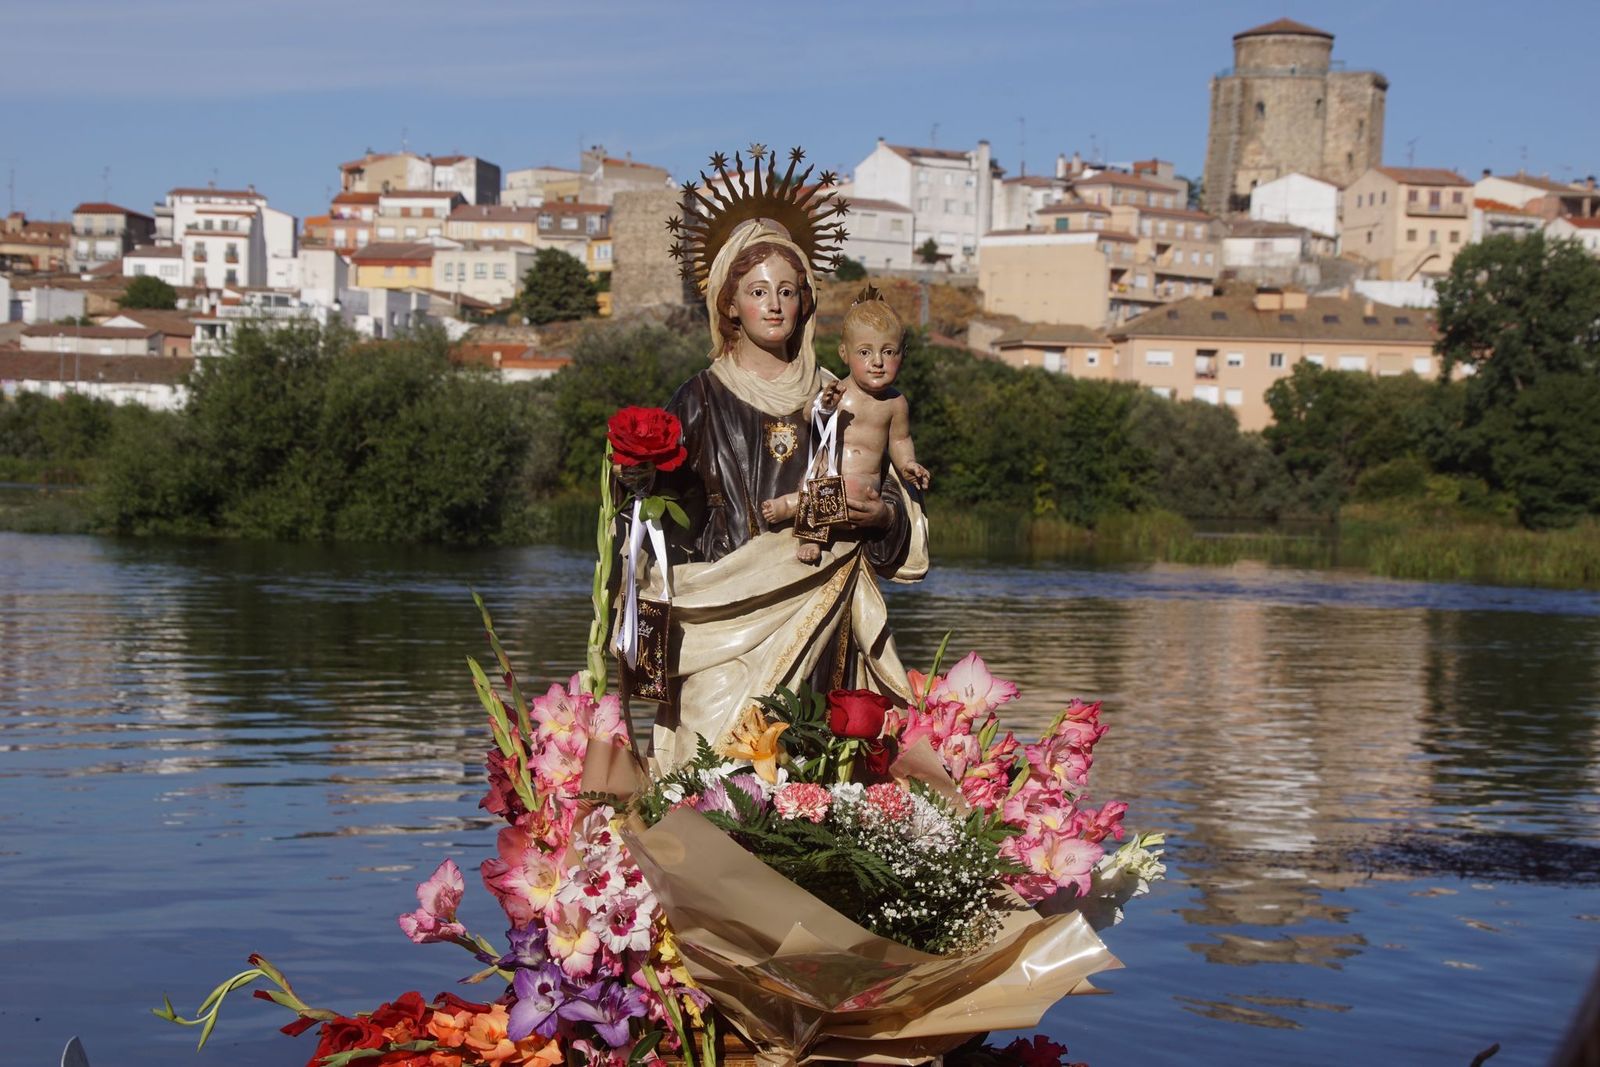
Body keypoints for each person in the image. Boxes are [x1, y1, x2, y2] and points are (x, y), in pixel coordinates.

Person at [643, 221, 928, 767]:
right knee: (707, 756)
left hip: (819, 596)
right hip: (724, 598)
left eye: (787, 292)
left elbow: (889, 501)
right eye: (757, 292)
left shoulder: (842, 395)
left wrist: (883, 516)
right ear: (730, 305)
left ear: (805, 303)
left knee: (806, 767)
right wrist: (635, 486)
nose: (774, 307)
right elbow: (661, 518)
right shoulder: (700, 398)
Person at [761, 290, 929, 563]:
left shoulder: (895, 403)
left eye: (888, 352)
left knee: (851, 494)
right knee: (813, 485)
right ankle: (809, 533)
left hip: (864, 481)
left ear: (903, 354)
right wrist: (824, 405)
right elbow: (809, 415)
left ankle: (791, 507)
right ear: (845, 354)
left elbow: (899, 441)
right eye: (865, 352)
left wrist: (909, 465)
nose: (877, 362)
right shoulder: (839, 391)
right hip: (829, 470)